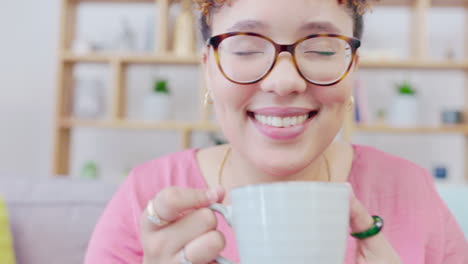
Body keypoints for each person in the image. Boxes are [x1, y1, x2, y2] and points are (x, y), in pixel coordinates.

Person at [84, 0, 468, 263]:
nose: (284, 81)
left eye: (320, 49)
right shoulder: (146, 197)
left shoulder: (412, 189)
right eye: (247, 47)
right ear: (208, 68)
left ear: (352, 67)